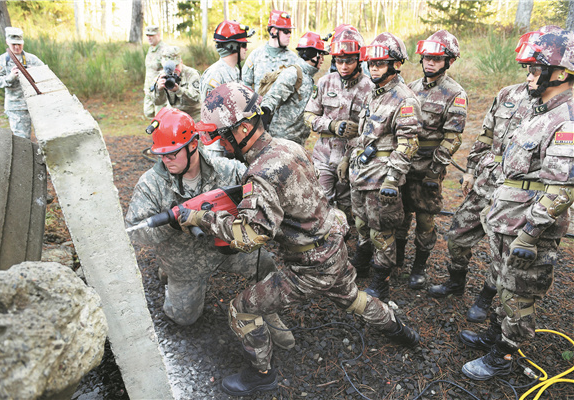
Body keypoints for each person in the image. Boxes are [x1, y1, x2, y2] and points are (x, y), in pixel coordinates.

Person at [186, 83, 420, 396]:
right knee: (353, 298)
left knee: (241, 309)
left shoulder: (260, 174)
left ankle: (261, 373)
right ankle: (401, 331)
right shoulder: (288, 146)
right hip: (332, 247)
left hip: (309, 266)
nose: (220, 144)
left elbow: (251, 235)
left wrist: (205, 218)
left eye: (220, 136)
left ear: (240, 130)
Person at [125, 108, 294, 351]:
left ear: (193, 145)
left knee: (264, 263)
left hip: (226, 250)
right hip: (184, 262)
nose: (166, 160)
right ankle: (167, 273)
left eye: (172, 153)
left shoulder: (226, 170)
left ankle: (267, 309)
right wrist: (170, 227)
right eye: (161, 154)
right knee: (183, 319)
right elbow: (136, 232)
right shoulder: (150, 185)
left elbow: (258, 184)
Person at [428, 26, 562, 325]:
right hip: (488, 181)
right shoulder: (507, 95)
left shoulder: (552, 107)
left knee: (500, 253)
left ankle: (486, 297)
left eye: (535, 68)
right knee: (457, 235)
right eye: (528, 68)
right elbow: (485, 136)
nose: (529, 73)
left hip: (520, 195)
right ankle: (455, 282)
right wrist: (472, 171)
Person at [461, 30, 574, 381]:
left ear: (560, 72)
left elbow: (561, 188)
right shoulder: (541, 111)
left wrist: (530, 233)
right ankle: (497, 335)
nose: (527, 75)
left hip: (528, 227)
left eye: (534, 68)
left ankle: (506, 355)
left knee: (519, 294)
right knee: (504, 282)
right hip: (508, 217)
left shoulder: (566, 119)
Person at [342, 33, 421, 301]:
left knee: (382, 231)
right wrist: (348, 157)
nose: (373, 68)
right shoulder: (374, 95)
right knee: (362, 224)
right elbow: (365, 134)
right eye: (371, 64)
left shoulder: (404, 99)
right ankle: (362, 265)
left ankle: (380, 282)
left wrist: (392, 179)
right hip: (362, 173)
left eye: (380, 64)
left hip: (382, 178)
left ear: (395, 65)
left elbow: (408, 144)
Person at [396, 30, 468, 290]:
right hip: (404, 164)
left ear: (449, 61)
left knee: (425, 221)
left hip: (428, 167)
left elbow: (453, 138)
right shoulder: (410, 88)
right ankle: (398, 261)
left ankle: (419, 268)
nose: (429, 63)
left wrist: (434, 171)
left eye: (437, 59)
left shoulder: (454, 93)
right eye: (427, 58)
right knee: (399, 216)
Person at [304, 27, 373, 235]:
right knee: (322, 201)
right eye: (339, 61)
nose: (343, 66)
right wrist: (331, 125)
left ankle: (342, 242)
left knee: (346, 205)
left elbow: (372, 130)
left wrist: (353, 145)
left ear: (359, 60)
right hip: (323, 155)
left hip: (352, 158)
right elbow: (309, 116)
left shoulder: (369, 88)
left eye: (349, 61)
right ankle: (323, 242)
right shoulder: (325, 83)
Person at [260, 32, 329, 145]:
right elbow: (272, 98)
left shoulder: (307, 76)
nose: (322, 59)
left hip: (296, 142)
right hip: (281, 141)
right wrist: (265, 112)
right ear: (312, 54)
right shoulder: (293, 73)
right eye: (321, 55)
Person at [199, 20, 254, 156]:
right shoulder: (216, 74)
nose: (246, 48)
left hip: (233, 143)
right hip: (218, 146)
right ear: (232, 46)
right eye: (244, 44)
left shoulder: (234, 71)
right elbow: (211, 114)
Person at [0, 27, 44, 139]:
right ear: (7, 42)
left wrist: (34, 72)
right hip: (17, 107)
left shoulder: (32, 59)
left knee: (45, 137)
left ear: (23, 43)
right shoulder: (2, 60)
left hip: (36, 104)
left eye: (19, 44)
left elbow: (46, 75)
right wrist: (10, 77)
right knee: (22, 140)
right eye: (13, 44)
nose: (16, 47)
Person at [242, 10, 300, 92]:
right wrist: (253, 101)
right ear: (274, 31)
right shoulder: (256, 55)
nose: (289, 35)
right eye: (286, 31)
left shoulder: (293, 59)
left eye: (290, 32)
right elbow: (245, 83)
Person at [151, 46, 201, 121]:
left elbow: (196, 99)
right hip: (175, 117)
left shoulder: (192, 74)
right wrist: (159, 90)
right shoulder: (162, 76)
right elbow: (157, 102)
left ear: (181, 62)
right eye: (168, 68)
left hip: (193, 116)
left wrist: (179, 90)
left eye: (175, 66)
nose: (173, 71)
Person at [143, 25, 168, 118]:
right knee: (148, 112)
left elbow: (167, 71)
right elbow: (149, 70)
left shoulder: (164, 50)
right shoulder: (151, 49)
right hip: (149, 89)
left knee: (160, 117)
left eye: (152, 35)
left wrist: (158, 87)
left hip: (158, 91)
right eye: (148, 35)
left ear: (158, 35)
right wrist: (146, 88)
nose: (149, 38)